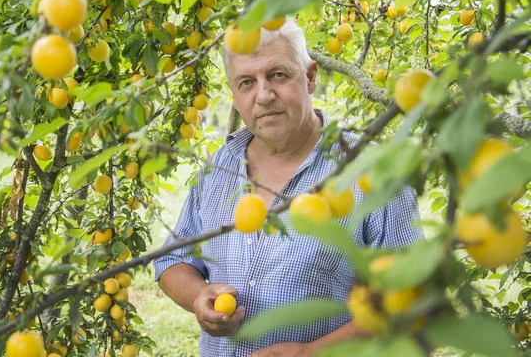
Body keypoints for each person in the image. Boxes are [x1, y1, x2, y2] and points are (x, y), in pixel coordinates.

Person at [153, 18, 422, 356]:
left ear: (310, 77)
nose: (263, 96)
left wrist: (313, 353)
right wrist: (197, 297)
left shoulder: (372, 172)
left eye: (277, 75)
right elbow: (173, 260)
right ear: (234, 94)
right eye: (247, 82)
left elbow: (412, 296)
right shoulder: (220, 167)